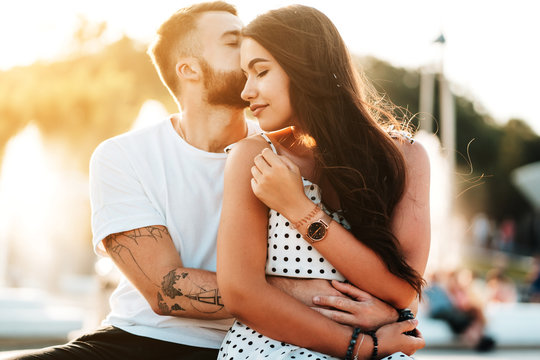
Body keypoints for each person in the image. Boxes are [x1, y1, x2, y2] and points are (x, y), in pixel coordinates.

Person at [5, 3, 408, 360]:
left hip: (270, 340)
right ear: (189, 68)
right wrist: (312, 295)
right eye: (234, 42)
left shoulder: (292, 151)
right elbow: (165, 290)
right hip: (144, 340)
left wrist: (384, 307)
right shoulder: (122, 156)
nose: (253, 46)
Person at [217, 5, 430, 360]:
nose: (246, 91)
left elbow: (402, 292)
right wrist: (361, 346)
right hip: (269, 350)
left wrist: (299, 208)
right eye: (245, 75)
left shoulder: (405, 157)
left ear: (306, 68)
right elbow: (241, 293)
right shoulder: (254, 157)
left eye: (261, 72)